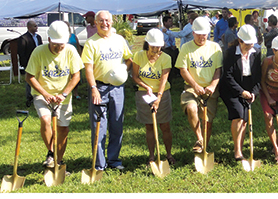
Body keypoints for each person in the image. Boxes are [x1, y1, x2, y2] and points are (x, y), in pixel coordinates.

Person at [25, 21, 83, 169]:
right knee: (46, 120)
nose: (58, 48)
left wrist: (64, 94)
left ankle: (59, 160)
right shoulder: (38, 52)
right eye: (55, 44)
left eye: (61, 45)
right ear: (49, 39)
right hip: (42, 94)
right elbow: (29, 76)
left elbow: (76, 76)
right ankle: (51, 153)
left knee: (64, 129)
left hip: (63, 96)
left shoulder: (70, 51)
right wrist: (44, 94)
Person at [82, 10, 133, 170]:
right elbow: (88, 69)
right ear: (96, 23)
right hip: (100, 87)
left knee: (117, 124)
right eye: (101, 21)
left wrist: (124, 69)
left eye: (107, 20)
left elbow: (129, 59)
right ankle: (99, 164)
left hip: (117, 88)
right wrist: (93, 89)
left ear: (112, 22)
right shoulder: (91, 43)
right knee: (99, 126)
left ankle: (114, 160)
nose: (105, 24)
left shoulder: (119, 39)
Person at [175, 17, 223, 153]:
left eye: (204, 33)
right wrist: (195, 86)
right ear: (193, 33)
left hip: (209, 89)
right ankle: (199, 139)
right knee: (191, 108)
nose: (202, 36)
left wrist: (213, 86)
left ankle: (203, 150)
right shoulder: (186, 47)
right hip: (191, 87)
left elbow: (218, 70)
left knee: (207, 121)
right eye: (199, 33)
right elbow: (183, 70)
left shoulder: (215, 48)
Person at [131, 29, 175, 165]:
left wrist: (159, 98)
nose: (156, 48)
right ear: (147, 44)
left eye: (158, 46)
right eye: (153, 46)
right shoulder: (139, 56)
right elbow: (135, 76)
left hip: (162, 94)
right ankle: (151, 156)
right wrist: (146, 87)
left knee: (165, 126)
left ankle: (168, 154)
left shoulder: (166, 58)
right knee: (149, 126)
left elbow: (164, 79)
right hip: (144, 94)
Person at [219, 25, 261, 161]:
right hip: (230, 89)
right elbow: (228, 76)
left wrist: (254, 93)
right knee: (238, 115)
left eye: (251, 43)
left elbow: (258, 76)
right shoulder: (231, 53)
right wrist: (241, 92)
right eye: (247, 44)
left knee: (244, 119)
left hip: (248, 89)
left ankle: (240, 148)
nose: (250, 46)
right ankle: (237, 152)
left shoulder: (257, 53)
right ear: (240, 41)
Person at [18, 20, 43, 107]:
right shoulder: (24, 38)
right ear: (29, 27)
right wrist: (25, 64)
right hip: (29, 63)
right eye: (35, 26)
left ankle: (38, 94)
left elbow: (41, 48)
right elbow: (21, 53)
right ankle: (29, 98)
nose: (37, 28)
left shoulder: (38, 37)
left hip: (39, 62)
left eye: (37, 26)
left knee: (39, 78)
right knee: (29, 81)